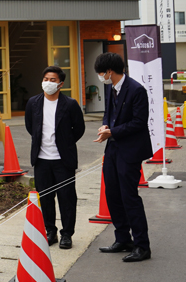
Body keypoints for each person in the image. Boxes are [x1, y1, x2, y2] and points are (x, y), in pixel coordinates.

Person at [93, 52, 152, 262]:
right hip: (113, 148)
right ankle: (122, 238)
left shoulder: (136, 90)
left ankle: (142, 245)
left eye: (101, 72)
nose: (100, 76)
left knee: (129, 197)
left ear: (109, 71)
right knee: (113, 195)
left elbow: (139, 122)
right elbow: (109, 114)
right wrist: (105, 126)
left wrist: (113, 132)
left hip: (131, 150)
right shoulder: (111, 88)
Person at [24, 65, 85, 249]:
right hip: (41, 160)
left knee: (67, 198)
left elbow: (79, 129)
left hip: (63, 160)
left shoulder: (70, 104)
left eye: (53, 80)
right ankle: (50, 231)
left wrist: (65, 143)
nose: (48, 83)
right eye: (46, 79)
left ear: (61, 84)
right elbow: (30, 126)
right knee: (46, 197)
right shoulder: (33, 103)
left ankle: (67, 234)